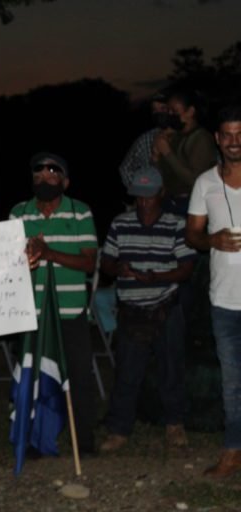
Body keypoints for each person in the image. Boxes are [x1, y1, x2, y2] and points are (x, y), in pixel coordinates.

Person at [99, 166, 196, 452]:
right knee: (128, 371)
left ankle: (175, 425)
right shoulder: (121, 223)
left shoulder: (176, 224)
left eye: (149, 196)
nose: (143, 202)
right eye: (138, 197)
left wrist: (158, 277)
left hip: (166, 304)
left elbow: (186, 269)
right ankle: (119, 430)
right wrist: (120, 268)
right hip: (131, 307)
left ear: (161, 194)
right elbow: (106, 263)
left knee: (171, 369)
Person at [9, 151, 98, 455]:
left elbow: (88, 263)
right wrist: (25, 258)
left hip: (71, 312)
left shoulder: (80, 212)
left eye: (52, 172)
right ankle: (35, 439)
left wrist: (49, 254)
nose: (44, 177)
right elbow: (6, 263)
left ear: (66, 181)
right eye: (38, 173)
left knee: (79, 377)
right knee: (33, 378)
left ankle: (83, 440)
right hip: (31, 313)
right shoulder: (18, 213)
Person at [186, 105, 241, 477]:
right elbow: (192, 234)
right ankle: (232, 452)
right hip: (224, 300)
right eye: (228, 135)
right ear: (218, 140)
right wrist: (211, 239)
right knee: (232, 381)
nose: (235, 142)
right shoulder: (205, 182)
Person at [153, 88, 217, 214]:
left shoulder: (201, 138)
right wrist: (156, 157)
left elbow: (195, 181)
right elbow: (166, 176)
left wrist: (167, 152)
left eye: (175, 111)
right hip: (171, 202)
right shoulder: (176, 136)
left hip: (191, 203)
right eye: (169, 111)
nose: (170, 115)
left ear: (190, 112)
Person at [118, 91, 172, 188]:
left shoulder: (185, 136)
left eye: (163, 108)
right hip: (154, 198)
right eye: (154, 110)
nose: (158, 113)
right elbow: (125, 169)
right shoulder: (145, 139)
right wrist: (142, 189)